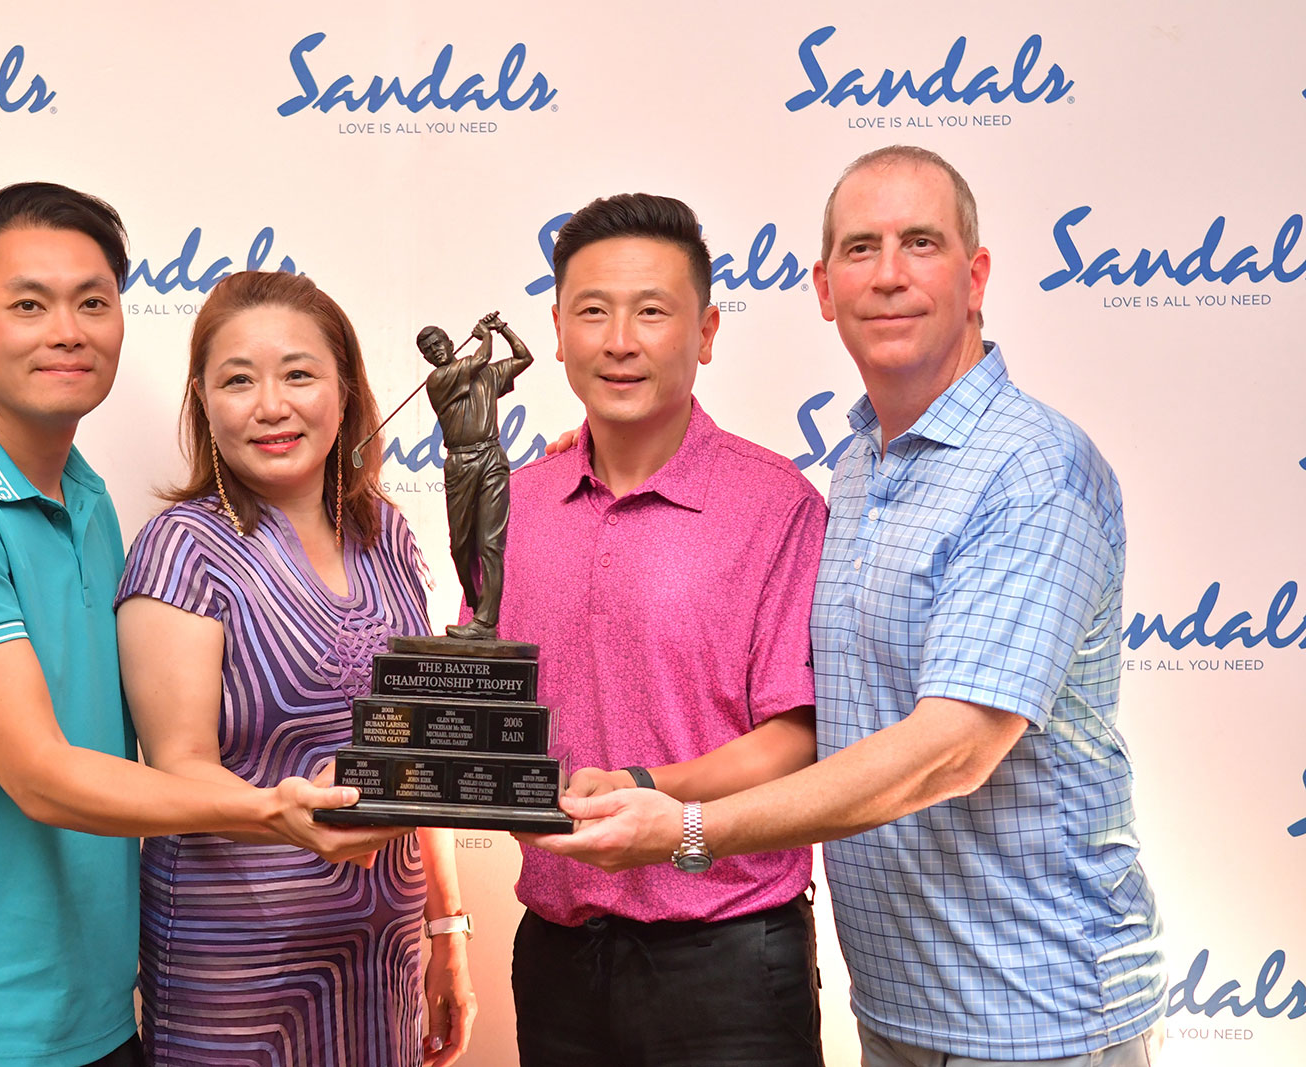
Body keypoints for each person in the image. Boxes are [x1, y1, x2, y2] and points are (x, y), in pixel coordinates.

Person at [527, 148, 1167, 1066]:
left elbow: (951, 751)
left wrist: (685, 824)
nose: (890, 274)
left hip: (1039, 1009)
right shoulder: (866, 462)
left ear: (977, 275)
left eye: (921, 243)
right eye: (861, 249)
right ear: (825, 288)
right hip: (904, 1005)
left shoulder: (1035, 471)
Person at [0, 184, 399, 1067]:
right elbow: (41, 774)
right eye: (29, 304)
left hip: (93, 1014)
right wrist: (273, 808)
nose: (67, 331)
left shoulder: (87, 500)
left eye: (92, 302)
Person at [492, 193, 829, 1066]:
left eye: (652, 311)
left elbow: (798, 735)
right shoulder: (513, 506)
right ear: (556, 330)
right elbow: (481, 702)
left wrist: (650, 791)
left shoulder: (776, 505)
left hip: (728, 961)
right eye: (592, 311)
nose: (619, 341)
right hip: (556, 953)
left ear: (706, 332)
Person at [115, 270, 477, 1067]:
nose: (271, 405)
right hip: (238, 974)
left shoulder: (386, 534)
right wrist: (280, 811)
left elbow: (424, 754)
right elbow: (178, 769)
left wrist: (448, 927)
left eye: (298, 374)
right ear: (204, 402)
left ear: (344, 391)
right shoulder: (182, 548)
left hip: (383, 962)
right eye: (238, 380)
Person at [417, 313, 533, 639]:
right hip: (461, 463)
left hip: (491, 457)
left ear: (451, 343)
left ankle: (485, 621)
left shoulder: (487, 375)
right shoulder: (438, 380)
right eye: (428, 350)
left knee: (491, 543)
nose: (435, 350)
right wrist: (486, 335)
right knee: (461, 547)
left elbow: (524, 357)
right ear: (427, 359)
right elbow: (481, 357)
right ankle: (477, 601)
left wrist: (502, 329)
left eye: (438, 343)